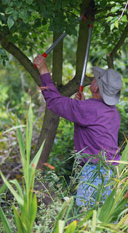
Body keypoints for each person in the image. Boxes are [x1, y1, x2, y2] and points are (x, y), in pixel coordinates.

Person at [33, 55, 122, 206]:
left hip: (94, 172)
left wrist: (43, 69)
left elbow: (54, 102)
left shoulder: (88, 110)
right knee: (103, 220)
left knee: (85, 219)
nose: (92, 81)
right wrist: (82, 105)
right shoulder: (112, 112)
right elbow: (93, 124)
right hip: (111, 172)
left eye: (95, 80)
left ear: (95, 88)